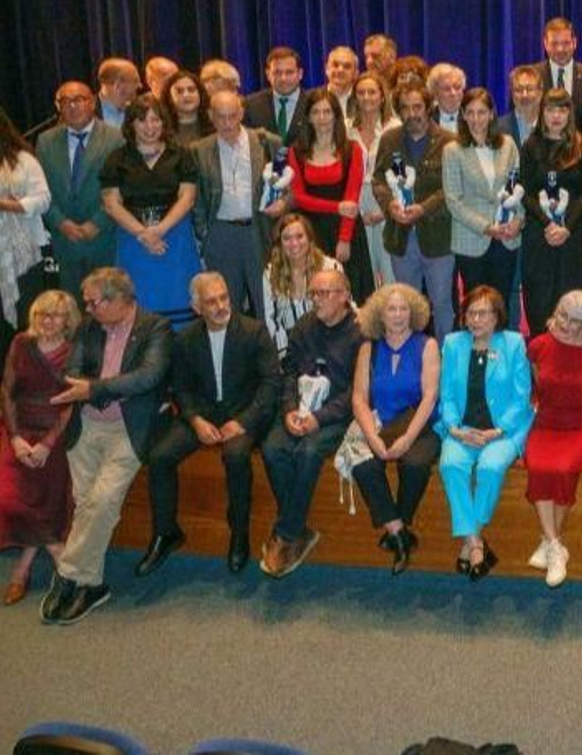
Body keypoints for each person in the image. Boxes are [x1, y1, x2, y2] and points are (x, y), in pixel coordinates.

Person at [39, 268, 172, 625]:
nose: (87, 308)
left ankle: (67, 575)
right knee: (88, 507)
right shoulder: (89, 326)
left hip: (128, 431)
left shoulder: (155, 328)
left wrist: (95, 389)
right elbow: (72, 370)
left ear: (117, 300)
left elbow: (147, 377)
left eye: (93, 302)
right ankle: (91, 584)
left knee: (100, 501)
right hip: (86, 428)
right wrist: (95, 388)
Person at [138, 273, 281, 576]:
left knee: (235, 455)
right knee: (159, 457)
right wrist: (194, 419)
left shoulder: (254, 332)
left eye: (224, 298)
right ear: (196, 307)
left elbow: (271, 385)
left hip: (244, 415)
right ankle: (165, 532)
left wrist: (243, 422)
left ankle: (239, 533)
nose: (220, 306)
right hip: (202, 415)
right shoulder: (186, 338)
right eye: (211, 301)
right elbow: (181, 387)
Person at [258, 268, 363, 579]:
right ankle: (297, 528)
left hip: (337, 415)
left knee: (308, 451)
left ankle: (286, 534)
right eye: (313, 293)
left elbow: (356, 393)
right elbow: (288, 372)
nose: (316, 300)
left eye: (324, 294)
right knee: (273, 448)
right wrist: (289, 409)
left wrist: (319, 418)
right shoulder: (304, 327)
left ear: (344, 296)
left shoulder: (360, 333)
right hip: (299, 408)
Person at [437, 286, 533, 582]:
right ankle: (476, 544)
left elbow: (522, 397)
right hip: (462, 429)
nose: (476, 319)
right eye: (471, 313)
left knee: (490, 467)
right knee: (451, 465)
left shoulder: (513, 344)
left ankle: (471, 538)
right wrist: (455, 429)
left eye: (483, 313)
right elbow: (447, 395)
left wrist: (497, 430)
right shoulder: (453, 344)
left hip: (503, 430)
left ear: (497, 317)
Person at [348, 282, 441, 574]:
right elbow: (359, 398)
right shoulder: (368, 348)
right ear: (380, 314)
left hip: (420, 426)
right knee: (362, 464)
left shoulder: (427, 345)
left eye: (404, 309)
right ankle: (399, 532)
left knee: (414, 464)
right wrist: (373, 437)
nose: (398, 315)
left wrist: (408, 438)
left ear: (413, 312)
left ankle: (396, 529)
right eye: (392, 309)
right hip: (380, 424)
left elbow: (430, 396)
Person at [523, 290, 582, 586]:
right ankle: (555, 545)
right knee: (537, 465)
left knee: (562, 468)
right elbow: (537, 385)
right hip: (546, 423)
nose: (564, 324)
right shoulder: (538, 345)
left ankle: (550, 543)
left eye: (573, 321)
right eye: (561, 315)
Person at [0, 292, 79, 606]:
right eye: (42, 314)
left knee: (44, 501)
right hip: (18, 430)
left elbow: (71, 404)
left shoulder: (74, 351)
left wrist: (47, 444)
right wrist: (16, 438)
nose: (48, 321)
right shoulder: (21, 343)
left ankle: (22, 569)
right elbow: (6, 392)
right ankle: (60, 557)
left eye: (56, 315)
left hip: (55, 435)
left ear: (67, 320)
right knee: (8, 499)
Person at [98, 93, 203, 327]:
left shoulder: (181, 155)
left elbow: (187, 197)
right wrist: (142, 233)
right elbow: (111, 204)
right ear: (131, 124)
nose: (150, 126)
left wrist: (160, 229)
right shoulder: (116, 159)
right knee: (138, 307)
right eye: (142, 120)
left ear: (164, 123)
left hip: (175, 238)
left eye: (156, 120)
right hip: (133, 240)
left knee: (181, 306)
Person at [192, 89, 287, 319]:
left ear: (242, 113)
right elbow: (197, 199)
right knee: (223, 305)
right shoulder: (199, 150)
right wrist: (204, 233)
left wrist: (283, 203)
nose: (227, 123)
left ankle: (272, 351)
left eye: (232, 116)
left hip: (259, 230)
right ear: (210, 116)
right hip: (220, 233)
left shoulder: (267, 143)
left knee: (268, 301)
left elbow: (287, 187)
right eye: (221, 116)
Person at [372, 82, 455, 339]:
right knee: (405, 305)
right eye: (405, 108)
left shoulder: (448, 142)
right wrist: (389, 205)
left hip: (438, 239)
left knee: (441, 304)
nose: (412, 114)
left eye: (417, 106)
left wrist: (423, 208)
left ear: (429, 107)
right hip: (401, 237)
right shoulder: (389, 140)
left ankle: (445, 357)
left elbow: (451, 188)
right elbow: (377, 181)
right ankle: (412, 357)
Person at [520, 88, 582, 334]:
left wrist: (566, 227)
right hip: (541, 235)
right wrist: (549, 224)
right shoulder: (530, 146)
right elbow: (526, 192)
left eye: (562, 110)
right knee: (542, 298)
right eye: (551, 110)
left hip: (576, 236)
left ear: (570, 113)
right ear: (542, 112)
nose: (556, 116)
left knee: (576, 298)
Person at [287, 88, 373, 304]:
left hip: (346, 229)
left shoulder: (352, 149)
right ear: (308, 117)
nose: (322, 118)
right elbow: (298, 197)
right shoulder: (296, 152)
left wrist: (344, 239)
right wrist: (335, 207)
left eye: (327, 112)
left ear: (336, 115)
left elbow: (351, 199)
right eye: (316, 112)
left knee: (350, 294)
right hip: (309, 232)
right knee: (315, 294)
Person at [38, 81, 120, 296]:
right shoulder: (45, 141)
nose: (72, 106)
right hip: (65, 240)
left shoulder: (115, 138)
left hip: (103, 237)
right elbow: (41, 191)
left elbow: (121, 187)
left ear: (92, 102)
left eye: (78, 100)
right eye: (65, 101)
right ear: (58, 107)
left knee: (107, 303)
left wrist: (97, 222)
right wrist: (60, 222)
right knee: (71, 310)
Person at [445, 87, 523, 309]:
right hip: (471, 240)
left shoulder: (507, 144)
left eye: (481, 112)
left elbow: (519, 187)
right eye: (470, 112)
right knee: (475, 306)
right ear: (463, 115)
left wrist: (518, 221)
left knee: (502, 304)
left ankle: (499, 344)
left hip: (506, 239)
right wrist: (487, 227)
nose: (476, 119)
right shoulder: (452, 150)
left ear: (491, 114)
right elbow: (453, 201)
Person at [0, 109, 50, 353]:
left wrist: (8, 205)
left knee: (26, 321)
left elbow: (43, 199)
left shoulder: (23, 160)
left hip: (23, 256)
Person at [348, 71, 401, 290]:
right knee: (364, 272)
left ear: (382, 96)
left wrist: (386, 210)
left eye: (372, 92)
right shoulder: (346, 128)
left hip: (387, 199)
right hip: (356, 201)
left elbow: (403, 174)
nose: (366, 97)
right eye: (361, 92)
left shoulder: (395, 127)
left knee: (390, 272)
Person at [261, 213, 341, 357]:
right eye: (287, 238)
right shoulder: (269, 274)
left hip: (330, 346)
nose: (294, 244)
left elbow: (344, 310)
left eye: (299, 236)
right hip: (288, 352)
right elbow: (270, 322)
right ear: (279, 243)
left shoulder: (331, 267)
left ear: (309, 238)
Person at [534, 17, 582, 131]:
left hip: (581, 146)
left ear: (574, 43)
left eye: (566, 43)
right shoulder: (534, 76)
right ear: (545, 44)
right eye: (554, 43)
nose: (560, 49)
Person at [243, 46, 309, 143]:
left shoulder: (313, 103)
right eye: (277, 73)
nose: (283, 78)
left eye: (289, 72)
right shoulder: (251, 105)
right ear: (268, 74)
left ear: (300, 74)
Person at [493, 64, 543, 147]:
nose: (524, 95)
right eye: (518, 90)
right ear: (512, 94)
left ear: (540, 93)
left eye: (530, 89)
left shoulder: (551, 127)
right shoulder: (498, 128)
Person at [158, 71, 211, 147]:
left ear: (200, 94)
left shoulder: (214, 125)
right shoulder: (161, 130)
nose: (186, 95)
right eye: (179, 91)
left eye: (191, 90)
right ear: (169, 98)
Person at [95, 58, 140, 129]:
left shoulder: (137, 110)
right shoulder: (86, 112)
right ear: (118, 85)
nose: (140, 86)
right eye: (135, 81)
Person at [426, 63, 467, 135]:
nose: (453, 93)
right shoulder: (427, 120)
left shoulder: (471, 117)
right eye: (446, 89)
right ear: (435, 94)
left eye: (457, 87)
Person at [322, 46, 359, 116]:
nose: (340, 70)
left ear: (355, 73)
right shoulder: (309, 99)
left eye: (347, 66)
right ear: (326, 69)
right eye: (335, 65)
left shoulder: (363, 100)